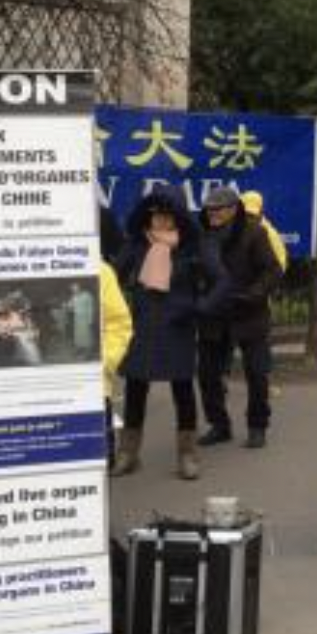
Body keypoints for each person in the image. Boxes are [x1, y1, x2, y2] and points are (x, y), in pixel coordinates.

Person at [111, 185, 202, 480]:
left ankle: (187, 455)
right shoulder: (136, 245)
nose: (160, 221)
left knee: (183, 390)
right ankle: (128, 453)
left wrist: (193, 308)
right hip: (142, 327)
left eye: (167, 216)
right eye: (155, 216)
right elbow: (111, 277)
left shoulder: (191, 247)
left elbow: (217, 283)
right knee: (136, 389)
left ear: (178, 218)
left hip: (178, 327)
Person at [195, 187, 283, 449]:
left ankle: (258, 426)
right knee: (207, 374)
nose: (212, 214)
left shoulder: (254, 232)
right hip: (214, 315)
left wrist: (253, 294)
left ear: (234, 209)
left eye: (218, 209)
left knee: (257, 373)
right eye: (209, 209)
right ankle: (219, 425)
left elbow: (272, 270)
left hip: (249, 313)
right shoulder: (202, 234)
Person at [100, 261, 133, 465]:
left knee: (98, 466)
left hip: (91, 384)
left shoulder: (100, 270)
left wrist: (107, 362)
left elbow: (119, 322)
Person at [241, 190, 288, 271]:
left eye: (252, 215)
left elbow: (280, 264)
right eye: (247, 214)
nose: (249, 218)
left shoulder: (268, 232)